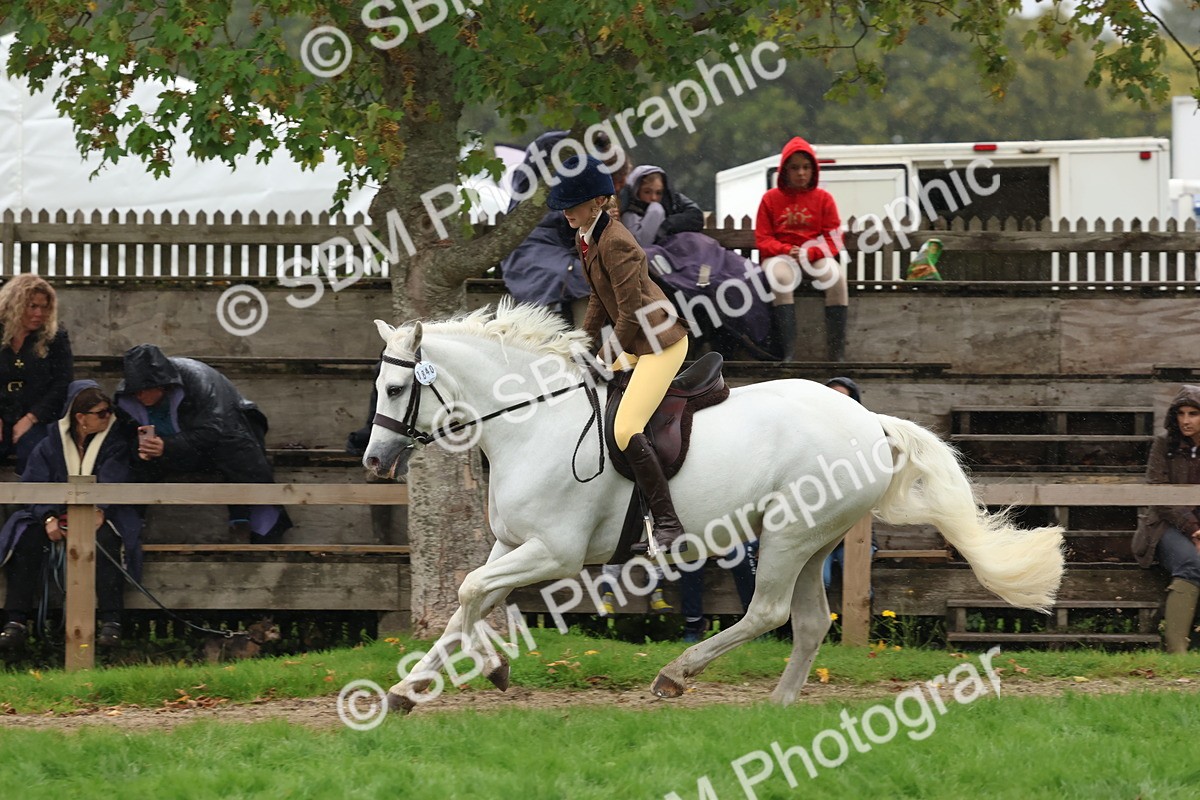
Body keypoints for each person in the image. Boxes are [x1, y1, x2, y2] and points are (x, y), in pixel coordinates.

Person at [546, 154, 690, 553]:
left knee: (626, 429)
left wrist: (605, 357)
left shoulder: (617, 242)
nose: (566, 213)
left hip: (660, 345)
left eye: (571, 206)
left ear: (595, 202)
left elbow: (629, 314)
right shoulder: (587, 236)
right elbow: (598, 297)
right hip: (635, 339)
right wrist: (578, 342)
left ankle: (668, 524)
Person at [0, 381, 143, 651]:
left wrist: (100, 509)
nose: (108, 417)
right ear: (80, 418)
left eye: (109, 411)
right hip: (55, 513)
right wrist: (48, 517)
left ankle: (112, 622)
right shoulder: (48, 445)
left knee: (107, 541)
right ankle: (15, 622)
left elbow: (115, 479)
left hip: (102, 513)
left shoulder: (115, 444)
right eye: (101, 413)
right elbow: (34, 485)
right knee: (27, 540)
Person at [114, 344, 292, 543]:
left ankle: (254, 525)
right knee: (128, 466)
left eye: (144, 390)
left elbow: (214, 430)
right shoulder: (125, 399)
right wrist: (141, 452)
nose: (139, 396)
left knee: (241, 456)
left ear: (161, 384)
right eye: (135, 391)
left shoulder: (199, 380)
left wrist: (168, 445)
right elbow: (126, 436)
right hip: (174, 449)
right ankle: (127, 531)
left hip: (224, 438)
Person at [755, 136, 850, 362]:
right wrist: (787, 249)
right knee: (780, 278)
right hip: (780, 256)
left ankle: (837, 354)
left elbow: (834, 237)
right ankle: (788, 353)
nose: (801, 173)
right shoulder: (770, 199)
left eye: (806, 167)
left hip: (813, 254)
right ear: (785, 170)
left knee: (837, 278)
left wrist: (811, 252)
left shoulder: (823, 199)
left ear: (814, 170)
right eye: (795, 167)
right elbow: (763, 238)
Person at [1133, 385, 1200, 653]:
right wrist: (1195, 530)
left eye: (1194, 413)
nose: (1186, 420)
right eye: (1181, 413)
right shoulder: (1163, 444)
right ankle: (1176, 651)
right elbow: (1160, 494)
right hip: (1165, 527)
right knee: (1192, 564)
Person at [0, 275, 73, 475]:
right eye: (32, 306)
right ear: (14, 305)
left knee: (36, 450)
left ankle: (34, 506)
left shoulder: (56, 338)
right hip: (2, 410)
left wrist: (32, 418)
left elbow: (62, 382)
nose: (39, 313)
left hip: (39, 415)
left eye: (44, 307)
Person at [821, 377, 877, 591]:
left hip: (854, 529)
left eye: (842, 399)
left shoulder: (867, 435)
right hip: (817, 534)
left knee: (857, 585)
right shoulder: (807, 435)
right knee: (821, 582)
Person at [618, 165, 704, 248]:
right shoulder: (629, 214)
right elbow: (639, 247)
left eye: (658, 193)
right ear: (636, 191)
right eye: (647, 192)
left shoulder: (671, 202)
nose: (653, 197)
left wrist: (667, 225)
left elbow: (696, 216)